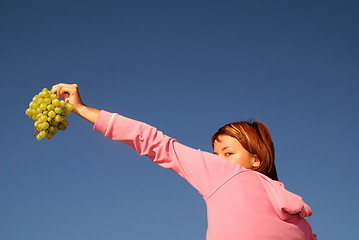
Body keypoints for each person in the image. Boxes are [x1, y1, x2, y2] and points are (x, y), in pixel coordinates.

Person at [51, 83, 317, 240]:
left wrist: (83, 109)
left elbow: (153, 142)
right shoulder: (295, 211)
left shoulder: (223, 174)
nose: (218, 160)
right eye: (216, 154)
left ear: (256, 159)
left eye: (228, 152)